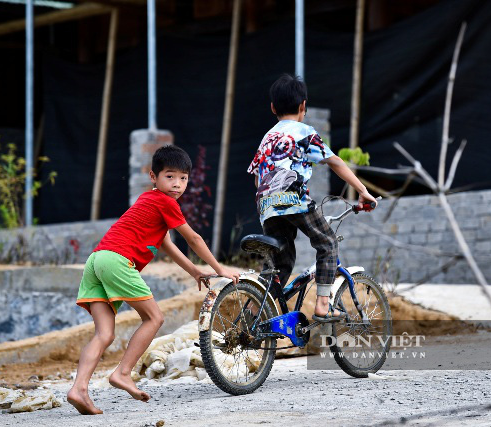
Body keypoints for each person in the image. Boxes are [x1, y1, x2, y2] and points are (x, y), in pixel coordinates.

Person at [67, 145, 240, 415]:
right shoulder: (165, 202)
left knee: (104, 334)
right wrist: (220, 268)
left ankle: (79, 389)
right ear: (153, 176)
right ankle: (123, 373)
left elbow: (167, 244)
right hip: (117, 260)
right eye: (170, 176)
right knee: (154, 318)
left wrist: (195, 271)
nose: (177, 184)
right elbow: (193, 238)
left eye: (183, 178)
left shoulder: (148, 200)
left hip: (97, 260)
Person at [247, 73, 376, 323]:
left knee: (281, 262)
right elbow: (335, 161)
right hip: (293, 200)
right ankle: (324, 305)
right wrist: (362, 190)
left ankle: (253, 315)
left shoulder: (266, 138)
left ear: (273, 107)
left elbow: (257, 179)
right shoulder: (304, 132)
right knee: (327, 242)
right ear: (303, 106)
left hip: (266, 206)